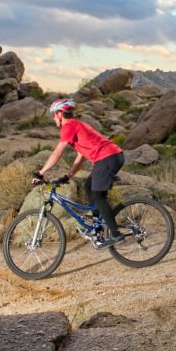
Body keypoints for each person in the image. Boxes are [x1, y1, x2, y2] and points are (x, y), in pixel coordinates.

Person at [33, 98, 126, 248]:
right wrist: (68, 175)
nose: (53, 118)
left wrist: (41, 172)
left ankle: (116, 234)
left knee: (98, 195)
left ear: (59, 114)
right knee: (89, 187)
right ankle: (97, 230)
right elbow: (81, 155)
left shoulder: (68, 126)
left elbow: (57, 152)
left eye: (53, 114)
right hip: (113, 156)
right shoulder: (77, 124)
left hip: (107, 158)